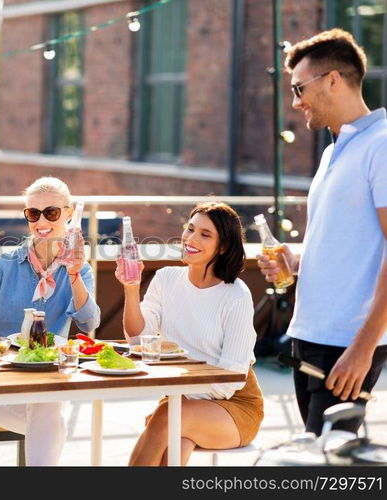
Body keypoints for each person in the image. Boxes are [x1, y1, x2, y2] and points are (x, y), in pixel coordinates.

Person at [257, 29, 387, 435]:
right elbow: (347, 239)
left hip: (347, 342)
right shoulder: (334, 150)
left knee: (326, 470)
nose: (295, 102)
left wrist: (364, 347)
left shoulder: (381, 145)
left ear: (333, 79)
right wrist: (295, 262)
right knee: (319, 460)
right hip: (310, 332)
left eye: (300, 88)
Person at [120, 202, 262, 466]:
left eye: (205, 234)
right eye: (190, 229)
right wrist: (131, 287)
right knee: (175, 444)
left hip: (234, 404)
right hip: (180, 398)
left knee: (166, 419)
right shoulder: (166, 278)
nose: (191, 238)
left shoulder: (236, 295)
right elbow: (140, 340)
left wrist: (176, 407)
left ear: (223, 247)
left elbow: (231, 380)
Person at [0, 176, 100, 465]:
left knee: (48, 405)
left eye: (52, 212)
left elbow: (89, 320)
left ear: (69, 214)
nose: (41, 221)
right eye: (33, 213)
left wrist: (72, 274)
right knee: (53, 417)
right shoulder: (3, 265)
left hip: (47, 384)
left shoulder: (80, 269)